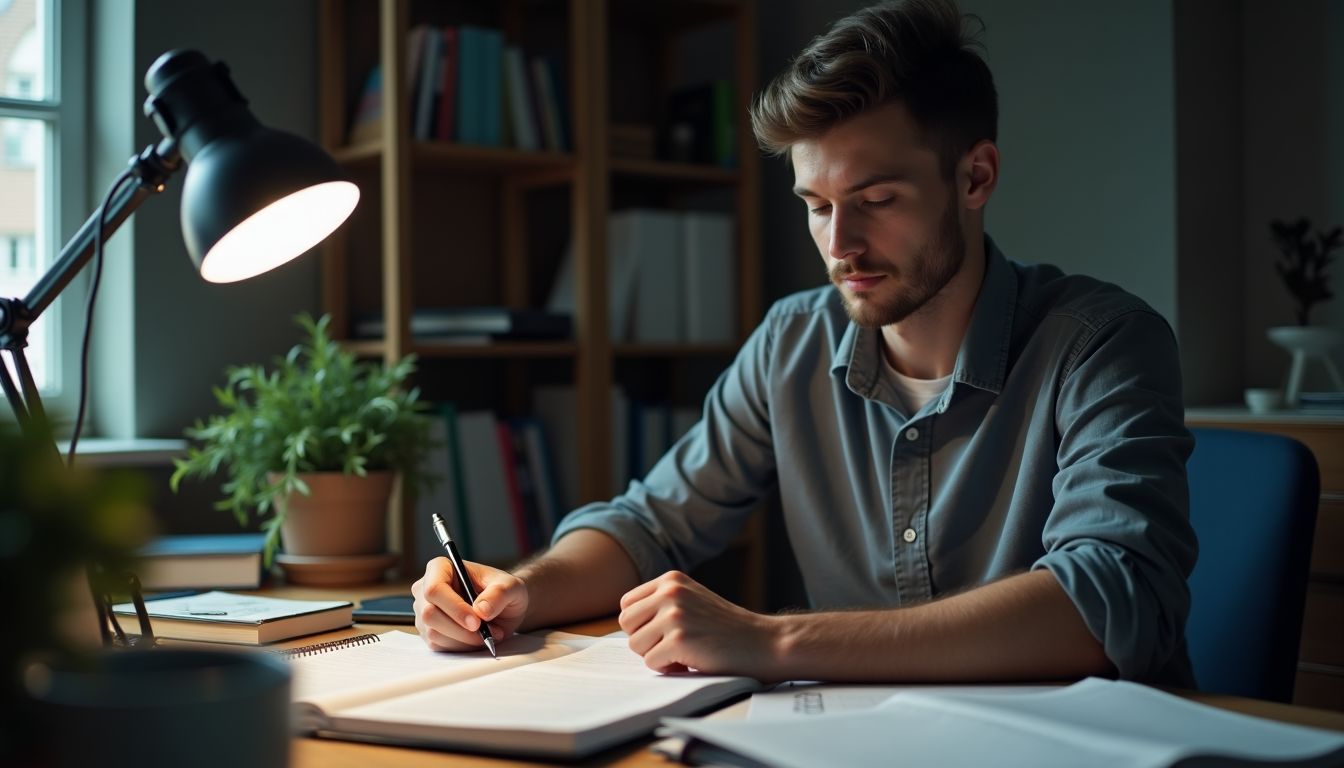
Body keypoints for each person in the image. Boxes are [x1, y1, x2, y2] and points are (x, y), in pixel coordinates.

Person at [413, 0, 1197, 686]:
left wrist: (772, 640)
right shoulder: (792, 340)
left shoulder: (1104, 344)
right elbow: (650, 525)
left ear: (975, 177)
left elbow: (1108, 599)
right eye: (816, 205)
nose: (840, 244)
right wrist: (518, 590)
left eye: (876, 199)